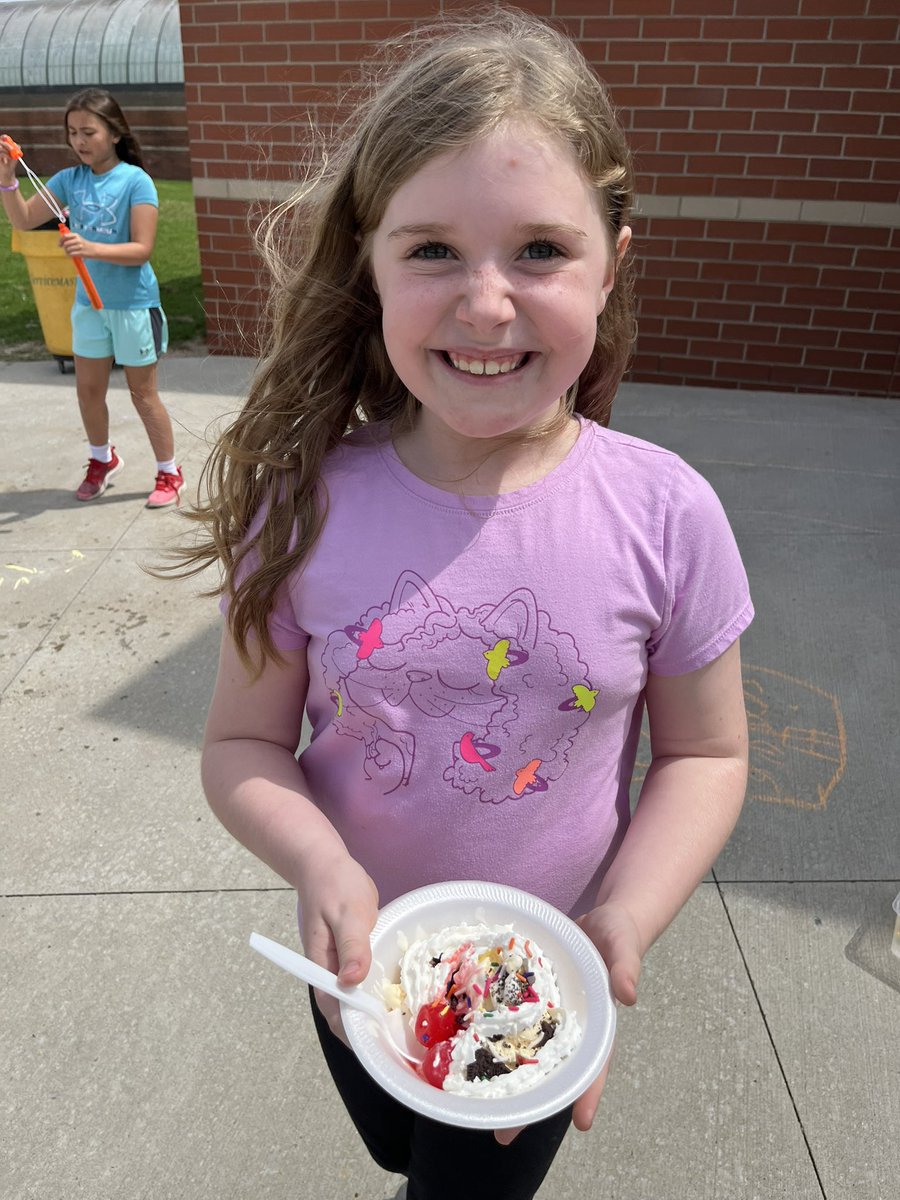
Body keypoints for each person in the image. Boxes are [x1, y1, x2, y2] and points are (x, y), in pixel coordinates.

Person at [179, 9, 753, 1199]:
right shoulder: (305, 508)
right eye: (432, 249)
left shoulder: (666, 512)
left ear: (614, 259)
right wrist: (321, 863)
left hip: (548, 978)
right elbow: (241, 742)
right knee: (396, 1144)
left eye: (541, 249)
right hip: (355, 958)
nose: (487, 305)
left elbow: (708, 753)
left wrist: (627, 923)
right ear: (371, 266)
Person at [0, 88, 185, 507]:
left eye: (89, 132)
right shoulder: (69, 181)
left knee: (143, 394)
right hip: (89, 306)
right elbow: (26, 219)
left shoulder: (136, 182)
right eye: (72, 133)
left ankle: (169, 471)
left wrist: (92, 248)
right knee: (88, 390)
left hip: (133, 305)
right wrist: (7, 179)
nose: (79, 141)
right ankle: (102, 460)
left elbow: (142, 249)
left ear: (115, 133)